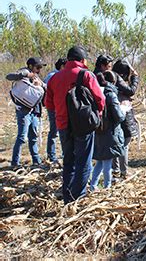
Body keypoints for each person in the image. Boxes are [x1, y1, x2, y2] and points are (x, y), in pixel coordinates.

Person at [46, 46, 105, 204]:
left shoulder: (54, 78)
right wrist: (96, 116)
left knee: (69, 161)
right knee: (84, 162)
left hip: (63, 125)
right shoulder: (86, 75)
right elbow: (100, 100)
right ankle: (77, 199)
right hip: (83, 125)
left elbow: (49, 104)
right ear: (83, 60)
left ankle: (67, 198)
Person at [6, 57, 46, 167]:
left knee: (33, 137)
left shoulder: (36, 76)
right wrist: (25, 75)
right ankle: (15, 163)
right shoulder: (24, 72)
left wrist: (40, 85)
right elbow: (9, 76)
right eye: (38, 67)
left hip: (34, 111)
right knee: (22, 137)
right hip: (23, 111)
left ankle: (36, 161)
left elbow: (44, 87)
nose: (39, 70)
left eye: (40, 68)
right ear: (30, 66)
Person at [91, 71, 126, 190]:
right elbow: (119, 116)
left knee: (100, 161)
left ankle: (93, 185)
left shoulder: (93, 93)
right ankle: (107, 187)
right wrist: (124, 109)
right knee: (107, 162)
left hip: (98, 131)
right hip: (110, 132)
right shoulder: (110, 94)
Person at [111, 59, 139, 179]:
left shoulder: (110, 78)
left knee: (116, 143)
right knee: (124, 144)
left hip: (115, 115)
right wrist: (135, 77)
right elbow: (131, 91)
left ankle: (116, 170)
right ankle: (123, 171)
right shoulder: (118, 79)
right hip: (124, 116)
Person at [44, 58, 67, 164]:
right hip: (54, 108)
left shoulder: (55, 75)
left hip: (58, 107)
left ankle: (61, 155)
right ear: (62, 66)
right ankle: (51, 156)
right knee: (54, 132)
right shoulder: (53, 76)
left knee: (58, 132)